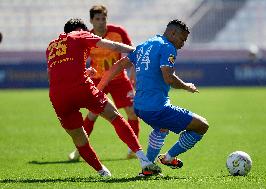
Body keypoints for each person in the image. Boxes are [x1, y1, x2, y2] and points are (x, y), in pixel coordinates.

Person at [46, 18, 161, 177]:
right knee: (114, 116)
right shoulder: (80, 35)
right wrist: (136, 51)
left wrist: (84, 73)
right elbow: (112, 45)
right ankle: (144, 161)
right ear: (80, 29)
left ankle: (102, 172)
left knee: (79, 138)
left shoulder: (51, 46)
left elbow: (55, 74)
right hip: (81, 88)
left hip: (57, 96)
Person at [97, 19, 209, 174]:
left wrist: (100, 87)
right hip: (157, 107)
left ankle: (148, 167)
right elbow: (168, 78)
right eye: (182, 39)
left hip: (139, 107)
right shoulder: (168, 47)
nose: (182, 44)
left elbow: (119, 65)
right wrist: (186, 86)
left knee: (161, 128)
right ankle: (168, 158)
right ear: (173, 33)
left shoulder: (144, 45)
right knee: (201, 126)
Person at [68, 5, 140, 161]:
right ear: (91, 20)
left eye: (103, 18)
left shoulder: (118, 32)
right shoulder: (87, 37)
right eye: (97, 19)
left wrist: (133, 73)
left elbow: (133, 52)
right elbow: (79, 61)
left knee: (132, 112)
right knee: (93, 114)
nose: (101, 22)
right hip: (98, 80)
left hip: (119, 79)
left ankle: (133, 149)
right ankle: (78, 150)